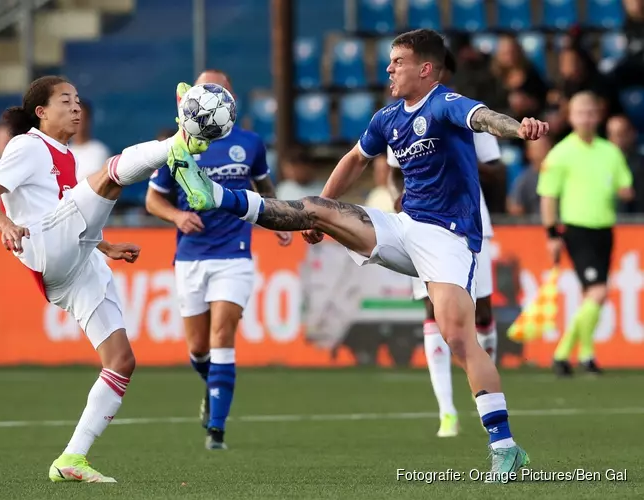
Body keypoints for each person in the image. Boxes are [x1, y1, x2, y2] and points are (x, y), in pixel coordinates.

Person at [167, 29, 549, 479]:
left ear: (425, 69)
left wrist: (518, 127)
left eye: (398, 62)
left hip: (449, 238)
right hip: (404, 227)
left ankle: (504, 445)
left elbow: (486, 119)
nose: (388, 69)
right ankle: (213, 194)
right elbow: (353, 160)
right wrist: (323, 212)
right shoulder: (387, 117)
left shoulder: (446, 103)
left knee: (459, 338)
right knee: (310, 205)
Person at [0, 75, 207, 483]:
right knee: (110, 176)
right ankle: (178, 144)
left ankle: (71, 459)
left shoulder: (64, 155)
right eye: (66, 100)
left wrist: (104, 246)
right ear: (41, 113)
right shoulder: (27, 145)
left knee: (121, 361)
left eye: (78, 100)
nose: (77, 107)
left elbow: (72, 212)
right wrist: (5, 225)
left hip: (73, 265)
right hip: (42, 243)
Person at [147, 70, 291, 450]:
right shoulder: (175, 144)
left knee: (222, 335)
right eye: (203, 90)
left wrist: (278, 220)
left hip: (235, 254)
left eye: (218, 91)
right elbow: (152, 200)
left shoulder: (251, 143)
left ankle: (217, 430)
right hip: (190, 256)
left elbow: (265, 188)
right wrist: (177, 216)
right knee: (197, 349)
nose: (210, 96)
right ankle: (213, 391)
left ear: (230, 100)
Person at [387, 49, 505, 438]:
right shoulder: (396, 119)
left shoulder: (457, 112)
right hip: (420, 226)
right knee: (433, 312)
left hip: (470, 225)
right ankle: (447, 411)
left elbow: (493, 166)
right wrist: (396, 194)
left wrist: (455, 165)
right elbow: (391, 170)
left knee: (479, 315)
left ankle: (486, 385)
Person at [538, 91, 634, 377]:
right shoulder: (561, 153)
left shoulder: (610, 151)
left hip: (604, 228)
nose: (587, 118)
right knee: (598, 291)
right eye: (581, 113)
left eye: (591, 112)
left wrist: (623, 190)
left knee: (590, 296)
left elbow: (624, 187)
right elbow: (548, 197)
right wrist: (552, 233)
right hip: (577, 229)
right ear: (571, 117)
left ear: (599, 115)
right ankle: (562, 353)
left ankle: (586, 355)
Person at [506, 137, 551, 216]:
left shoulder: (559, 173)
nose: (540, 152)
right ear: (528, 153)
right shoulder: (524, 179)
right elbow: (514, 206)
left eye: (543, 147)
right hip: (532, 225)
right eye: (536, 149)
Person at [70, 99, 111, 181]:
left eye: (82, 120)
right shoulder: (60, 153)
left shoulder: (99, 151)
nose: (79, 126)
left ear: (89, 121)